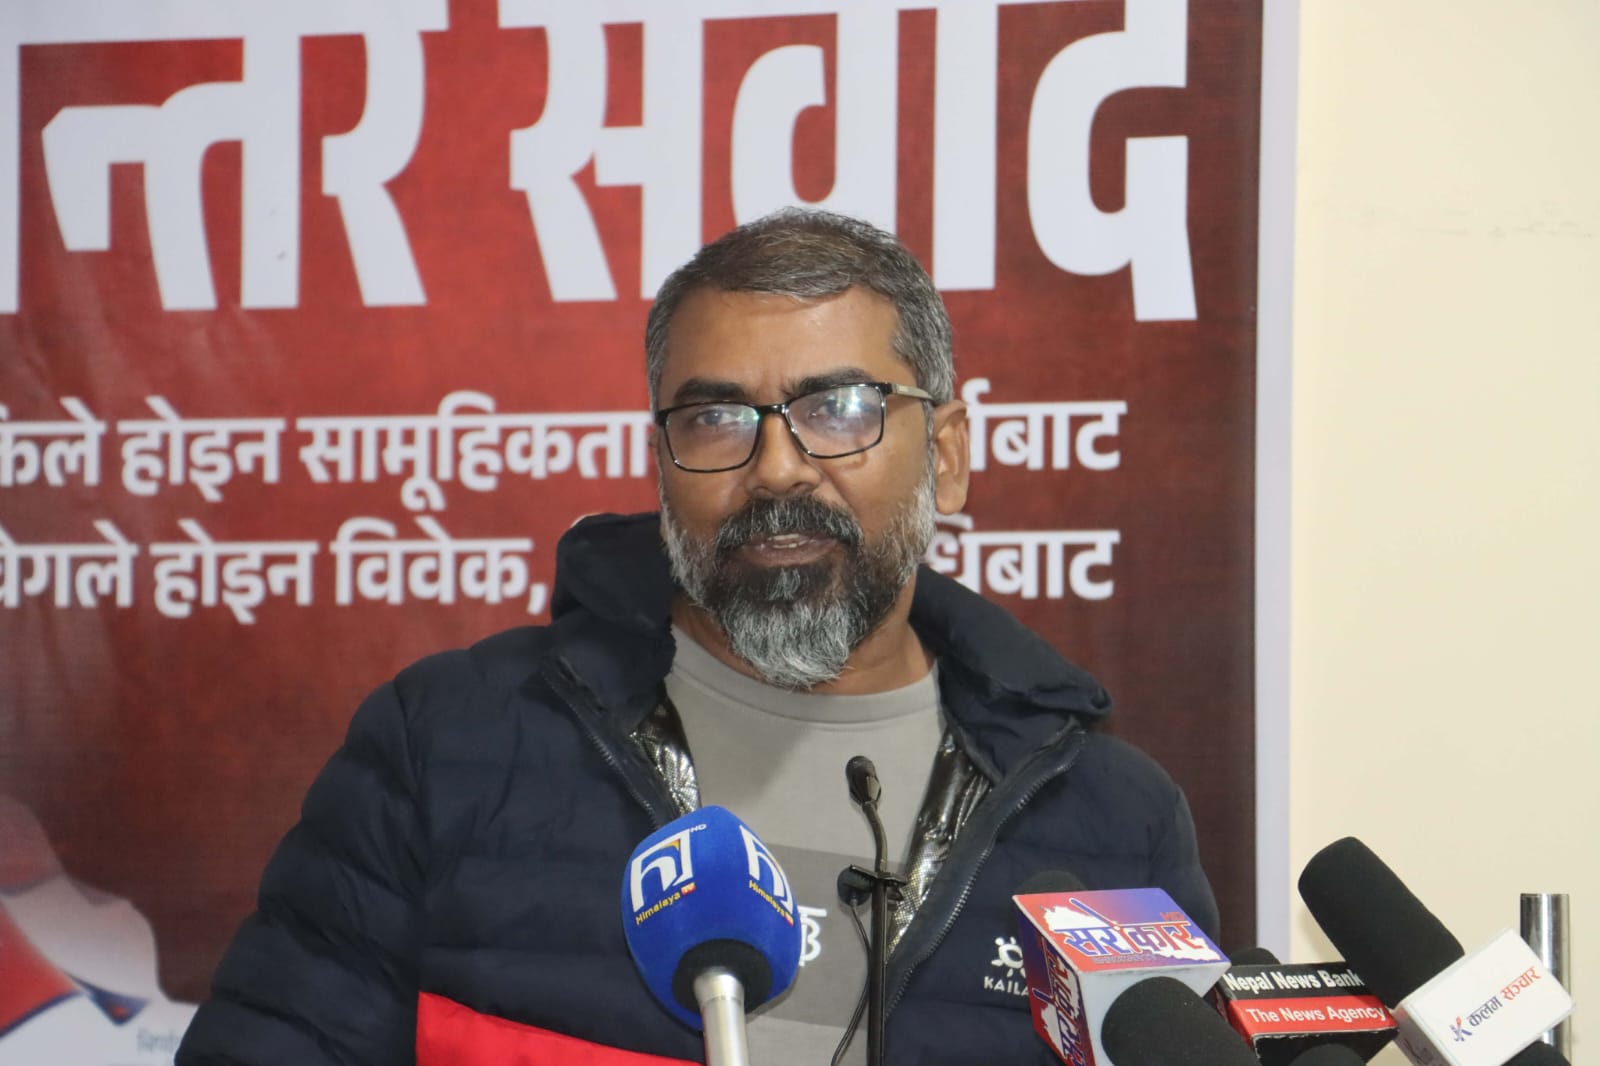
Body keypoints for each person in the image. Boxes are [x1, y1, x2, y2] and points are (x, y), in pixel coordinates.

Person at [176, 209, 1217, 1065]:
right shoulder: (450, 747)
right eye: (716, 419)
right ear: (661, 461)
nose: (777, 469)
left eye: (838, 408)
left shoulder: (1108, 821)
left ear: (945, 455)